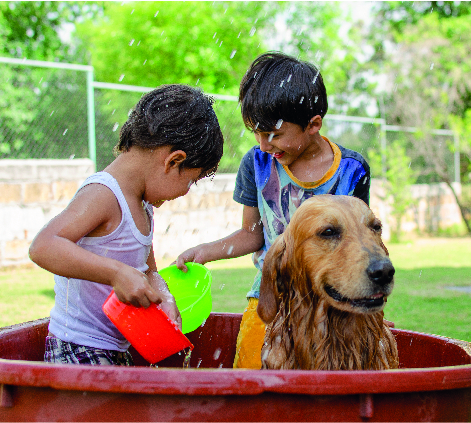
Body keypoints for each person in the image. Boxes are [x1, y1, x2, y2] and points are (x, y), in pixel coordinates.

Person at [175, 52, 370, 369]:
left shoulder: (351, 170)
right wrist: (205, 251)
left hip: (332, 307)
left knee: (323, 397)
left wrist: (365, 309)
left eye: (275, 134)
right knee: (252, 385)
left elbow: (360, 249)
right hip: (268, 300)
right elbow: (252, 235)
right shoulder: (257, 164)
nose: (264, 144)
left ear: (313, 124)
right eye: (257, 132)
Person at [29, 84, 224, 365]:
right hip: (78, 348)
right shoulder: (104, 194)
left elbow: (150, 270)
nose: (186, 191)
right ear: (173, 160)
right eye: (191, 181)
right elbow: (44, 246)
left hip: (115, 348)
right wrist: (116, 273)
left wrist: (165, 297)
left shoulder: (143, 206)